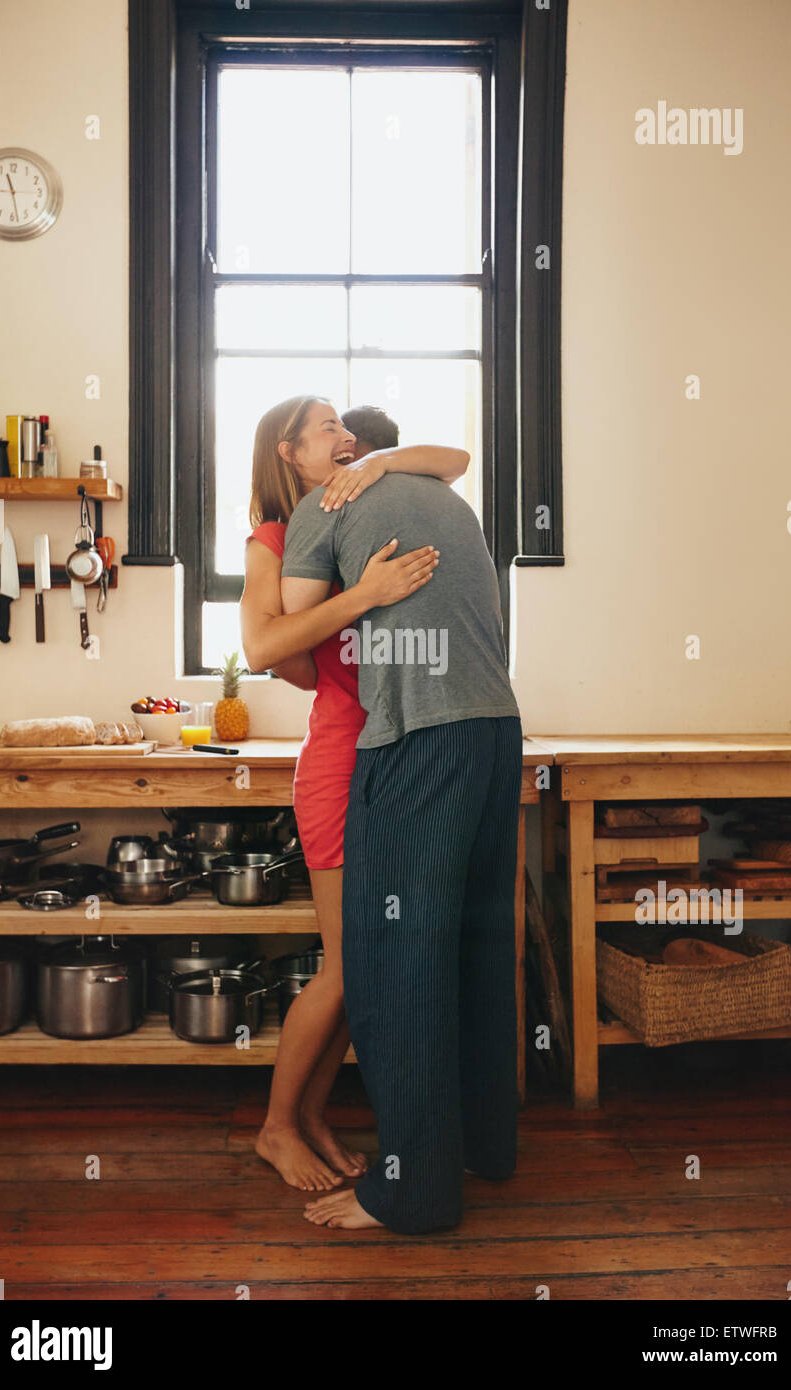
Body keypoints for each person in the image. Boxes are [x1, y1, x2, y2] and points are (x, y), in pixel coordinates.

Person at [280, 467, 523, 1233]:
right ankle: (485, 1146)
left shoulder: (327, 503)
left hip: (417, 736)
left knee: (396, 963)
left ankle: (412, 1190)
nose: (340, 446)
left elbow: (287, 634)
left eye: (341, 434)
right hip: (496, 729)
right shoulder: (449, 498)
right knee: (479, 945)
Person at [240, 395, 468, 1192]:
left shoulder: (351, 514)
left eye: (349, 429)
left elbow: (455, 462)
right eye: (330, 429)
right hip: (339, 762)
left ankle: (308, 1117)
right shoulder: (274, 539)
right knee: (346, 968)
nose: (348, 438)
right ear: (287, 454)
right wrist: (365, 597)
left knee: (361, 965)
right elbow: (269, 647)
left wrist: (377, 463)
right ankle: (274, 1128)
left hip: (387, 753)